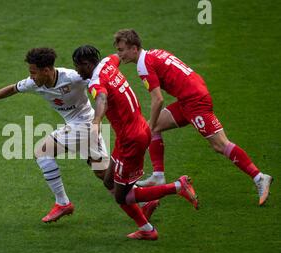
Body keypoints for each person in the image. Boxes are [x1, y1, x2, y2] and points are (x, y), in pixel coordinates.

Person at [113, 29, 273, 206]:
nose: (119, 54)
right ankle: (158, 176)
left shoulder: (143, 65)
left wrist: (148, 129)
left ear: (134, 48)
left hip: (195, 101)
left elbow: (158, 100)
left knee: (220, 144)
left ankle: (259, 177)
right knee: (156, 125)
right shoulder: (154, 53)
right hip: (188, 98)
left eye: (121, 50)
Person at [0, 47, 110, 223]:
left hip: (86, 126)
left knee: (42, 152)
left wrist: (99, 118)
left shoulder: (72, 78)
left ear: (47, 70)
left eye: (33, 72)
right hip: (79, 128)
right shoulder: (34, 83)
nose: (31, 76)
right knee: (105, 176)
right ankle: (144, 199)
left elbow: (100, 88)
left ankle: (62, 203)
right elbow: (12, 89)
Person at [72, 45, 198, 240]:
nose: (76, 71)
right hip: (133, 132)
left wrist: (96, 122)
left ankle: (178, 187)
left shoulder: (96, 82)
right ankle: (147, 228)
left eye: (78, 66)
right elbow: (116, 56)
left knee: (122, 196)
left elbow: (102, 99)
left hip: (132, 140)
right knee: (108, 181)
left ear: (87, 64)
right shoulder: (108, 62)